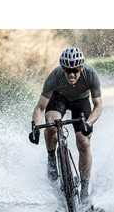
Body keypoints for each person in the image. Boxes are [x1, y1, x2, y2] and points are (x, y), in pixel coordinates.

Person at [30, 47, 103, 200]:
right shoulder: (55, 75)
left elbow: (98, 106)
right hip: (59, 99)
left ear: (81, 68)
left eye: (75, 70)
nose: (71, 74)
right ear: (63, 69)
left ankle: (84, 189)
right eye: (68, 70)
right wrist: (35, 128)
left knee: (84, 142)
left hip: (81, 101)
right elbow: (40, 107)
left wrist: (88, 123)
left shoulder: (90, 74)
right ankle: (51, 158)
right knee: (51, 124)